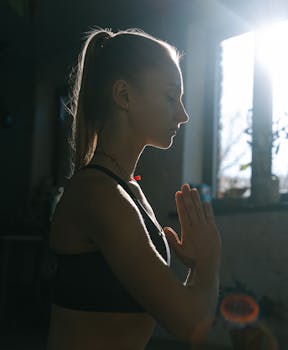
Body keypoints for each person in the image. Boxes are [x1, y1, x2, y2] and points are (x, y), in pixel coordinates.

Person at [46, 27, 222, 349]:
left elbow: (174, 305)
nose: (183, 115)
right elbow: (190, 323)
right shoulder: (100, 196)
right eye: (171, 97)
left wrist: (197, 267)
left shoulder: (129, 192)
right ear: (125, 96)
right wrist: (209, 262)